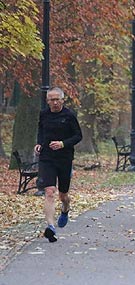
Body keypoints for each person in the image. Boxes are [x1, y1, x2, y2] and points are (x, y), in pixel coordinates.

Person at [34, 87, 82, 243]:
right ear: (47, 101)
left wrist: (63, 144)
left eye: (57, 99)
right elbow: (41, 130)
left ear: (63, 100)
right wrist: (39, 144)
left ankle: (65, 209)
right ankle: (50, 227)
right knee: (49, 191)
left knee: (63, 195)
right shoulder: (44, 114)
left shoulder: (69, 116)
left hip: (64, 158)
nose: (54, 103)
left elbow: (78, 136)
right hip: (47, 157)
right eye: (51, 100)